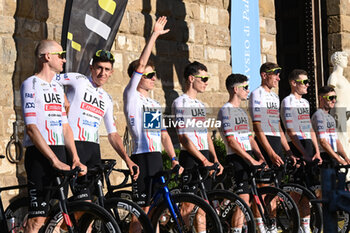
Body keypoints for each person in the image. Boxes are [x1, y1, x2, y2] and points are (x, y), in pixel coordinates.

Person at [20, 40, 87, 233]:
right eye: (61, 55)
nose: (64, 59)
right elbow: (31, 128)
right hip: (41, 155)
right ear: (47, 57)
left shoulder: (58, 88)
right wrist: (54, 160)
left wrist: (74, 157)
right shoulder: (30, 84)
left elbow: (66, 127)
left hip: (60, 153)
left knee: (57, 218)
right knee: (37, 220)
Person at [55, 49, 139, 201]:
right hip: (74, 145)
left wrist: (127, 159)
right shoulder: (79, 79)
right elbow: (49, 79)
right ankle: (58, 222)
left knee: (95, 202)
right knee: (84, 202)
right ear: (91, 67)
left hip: (93, 149)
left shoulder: (106, 98)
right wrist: (62, 98)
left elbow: (113, 134)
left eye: (107, 69)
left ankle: (69, 224)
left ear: (111, 72)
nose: (102, 73)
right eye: (99, 67)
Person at [123, 16, 181, 233]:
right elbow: (140, 64)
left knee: (155, 210)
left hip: (155, 156)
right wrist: (154, 35)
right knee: (141, 211)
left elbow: (164, 135)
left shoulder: (154, 103)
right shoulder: (132, 96)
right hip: (142, 155)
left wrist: (174, 158)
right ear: (137, 77)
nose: (153, 78)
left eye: (154, 75)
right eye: (149, 75)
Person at [172, 61, 224, 232]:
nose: (206, 82)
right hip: (190, 157)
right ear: (191, 79)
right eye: (204, 78)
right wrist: (202, 160)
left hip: (204, 157)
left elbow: (206, 134)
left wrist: (214, 159)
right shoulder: (180, 102)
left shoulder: (201, 106)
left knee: (203, 204)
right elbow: (183, 137)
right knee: (187, 206)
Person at [218, 73, 265, 233]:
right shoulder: (226, 110)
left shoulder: (242, 113)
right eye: (245, 87)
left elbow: (250, 138)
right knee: (243, 200)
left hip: (247, 156)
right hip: (236, 157)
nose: (248, 90)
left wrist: (260, 156)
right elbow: (231, 141)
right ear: (235, 89)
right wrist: (250, 160)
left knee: (251, 197)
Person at [280, 69, 322, 233]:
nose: (308, 85)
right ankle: (294, 224)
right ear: (293, 83)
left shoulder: (305, 103)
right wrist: (302, 153)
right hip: (297, 144)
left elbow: (309, 128)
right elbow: (290, 130)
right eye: (304, 82)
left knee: (309, 191)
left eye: (308, 82)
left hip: (309, 145)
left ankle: (305, 226)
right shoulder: (288, 101)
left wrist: (316, 151)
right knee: (297, 191)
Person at [311, 85, 350, 167]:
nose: (334, 100)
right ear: (321, 99)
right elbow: (322, 141)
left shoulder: (330, 118)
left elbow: (336, 141)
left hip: (332, 155)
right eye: (330, 98)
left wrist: (346, 157)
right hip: (323, 155)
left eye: (335, 97)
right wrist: (339, 159)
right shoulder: (318, 115)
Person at [327, 51, 350, 162]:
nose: (347, 61)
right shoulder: (334, 77)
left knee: (347, 139)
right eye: (345, 59)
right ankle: (343, 167)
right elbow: (329, 93)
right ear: (338, 60)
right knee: (341, 138)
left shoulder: (344, 79)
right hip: (339, 110)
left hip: (347, 110)